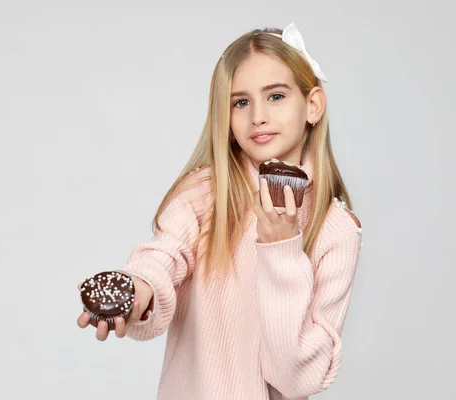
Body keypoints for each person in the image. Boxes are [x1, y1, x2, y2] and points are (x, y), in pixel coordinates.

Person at [77, 22, 363, 400]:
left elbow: (297, 380)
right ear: (226, 121)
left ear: (312, 105)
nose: (257, 115)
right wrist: (138, 291)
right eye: (240, 102)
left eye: (275, 96)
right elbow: (162, 259)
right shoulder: (205, 193)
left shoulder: (336, 231)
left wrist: (281, 250)